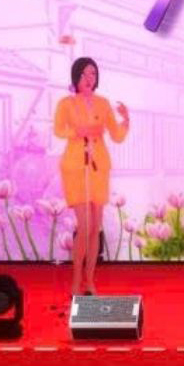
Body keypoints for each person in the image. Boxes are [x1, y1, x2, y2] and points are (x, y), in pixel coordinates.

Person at [53, 57, 129, 297]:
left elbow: (117, 136)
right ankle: (76, 281)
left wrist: (126, 120)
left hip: (98, 168)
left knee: (96, 227)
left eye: (93, 74)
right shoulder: (66, 103)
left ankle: (89, 282)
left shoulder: (103, 104)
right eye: (84, 74)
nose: (89, 79)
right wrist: (78, 131)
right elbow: (58, 129)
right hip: (75, 168)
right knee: (84, 226)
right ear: (76, 76)